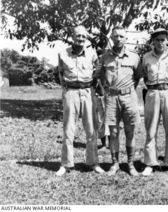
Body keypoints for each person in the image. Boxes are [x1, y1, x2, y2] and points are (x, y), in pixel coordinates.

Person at [56, 25, 104, 176]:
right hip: (71, 92)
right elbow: (60, 73)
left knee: (91, 129)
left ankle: (93, 162)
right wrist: (66, 90)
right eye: (78, 36)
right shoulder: (63, 53)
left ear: (86, 37)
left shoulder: (92, 53)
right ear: (72, 37)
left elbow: (97, 73)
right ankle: (66, 164)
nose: (81, 38)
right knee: (68, 129)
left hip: (88, 92)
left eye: (83, 36)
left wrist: (94, 89)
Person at [96, 26, 141, 176]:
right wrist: (107, 90)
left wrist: (127, 89)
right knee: (113, 132)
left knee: (130, 131)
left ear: (126, 38)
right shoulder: (105, 57)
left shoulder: (134, 57)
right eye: (115, 36)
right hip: (111, 98)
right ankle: (115, 164)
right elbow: (100, 76)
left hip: (129, 97)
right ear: (112, 38)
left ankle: (130, 164)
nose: (118, 39)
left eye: (121, 36)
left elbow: (138, 76)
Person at [139, 28, 168, 176]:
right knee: (151, 129)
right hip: (152, 92)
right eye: (157, 40)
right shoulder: (146, 57)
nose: (160, 43)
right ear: (153, 41)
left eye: (163, 39)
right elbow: (144, 76)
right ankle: (150, 163)